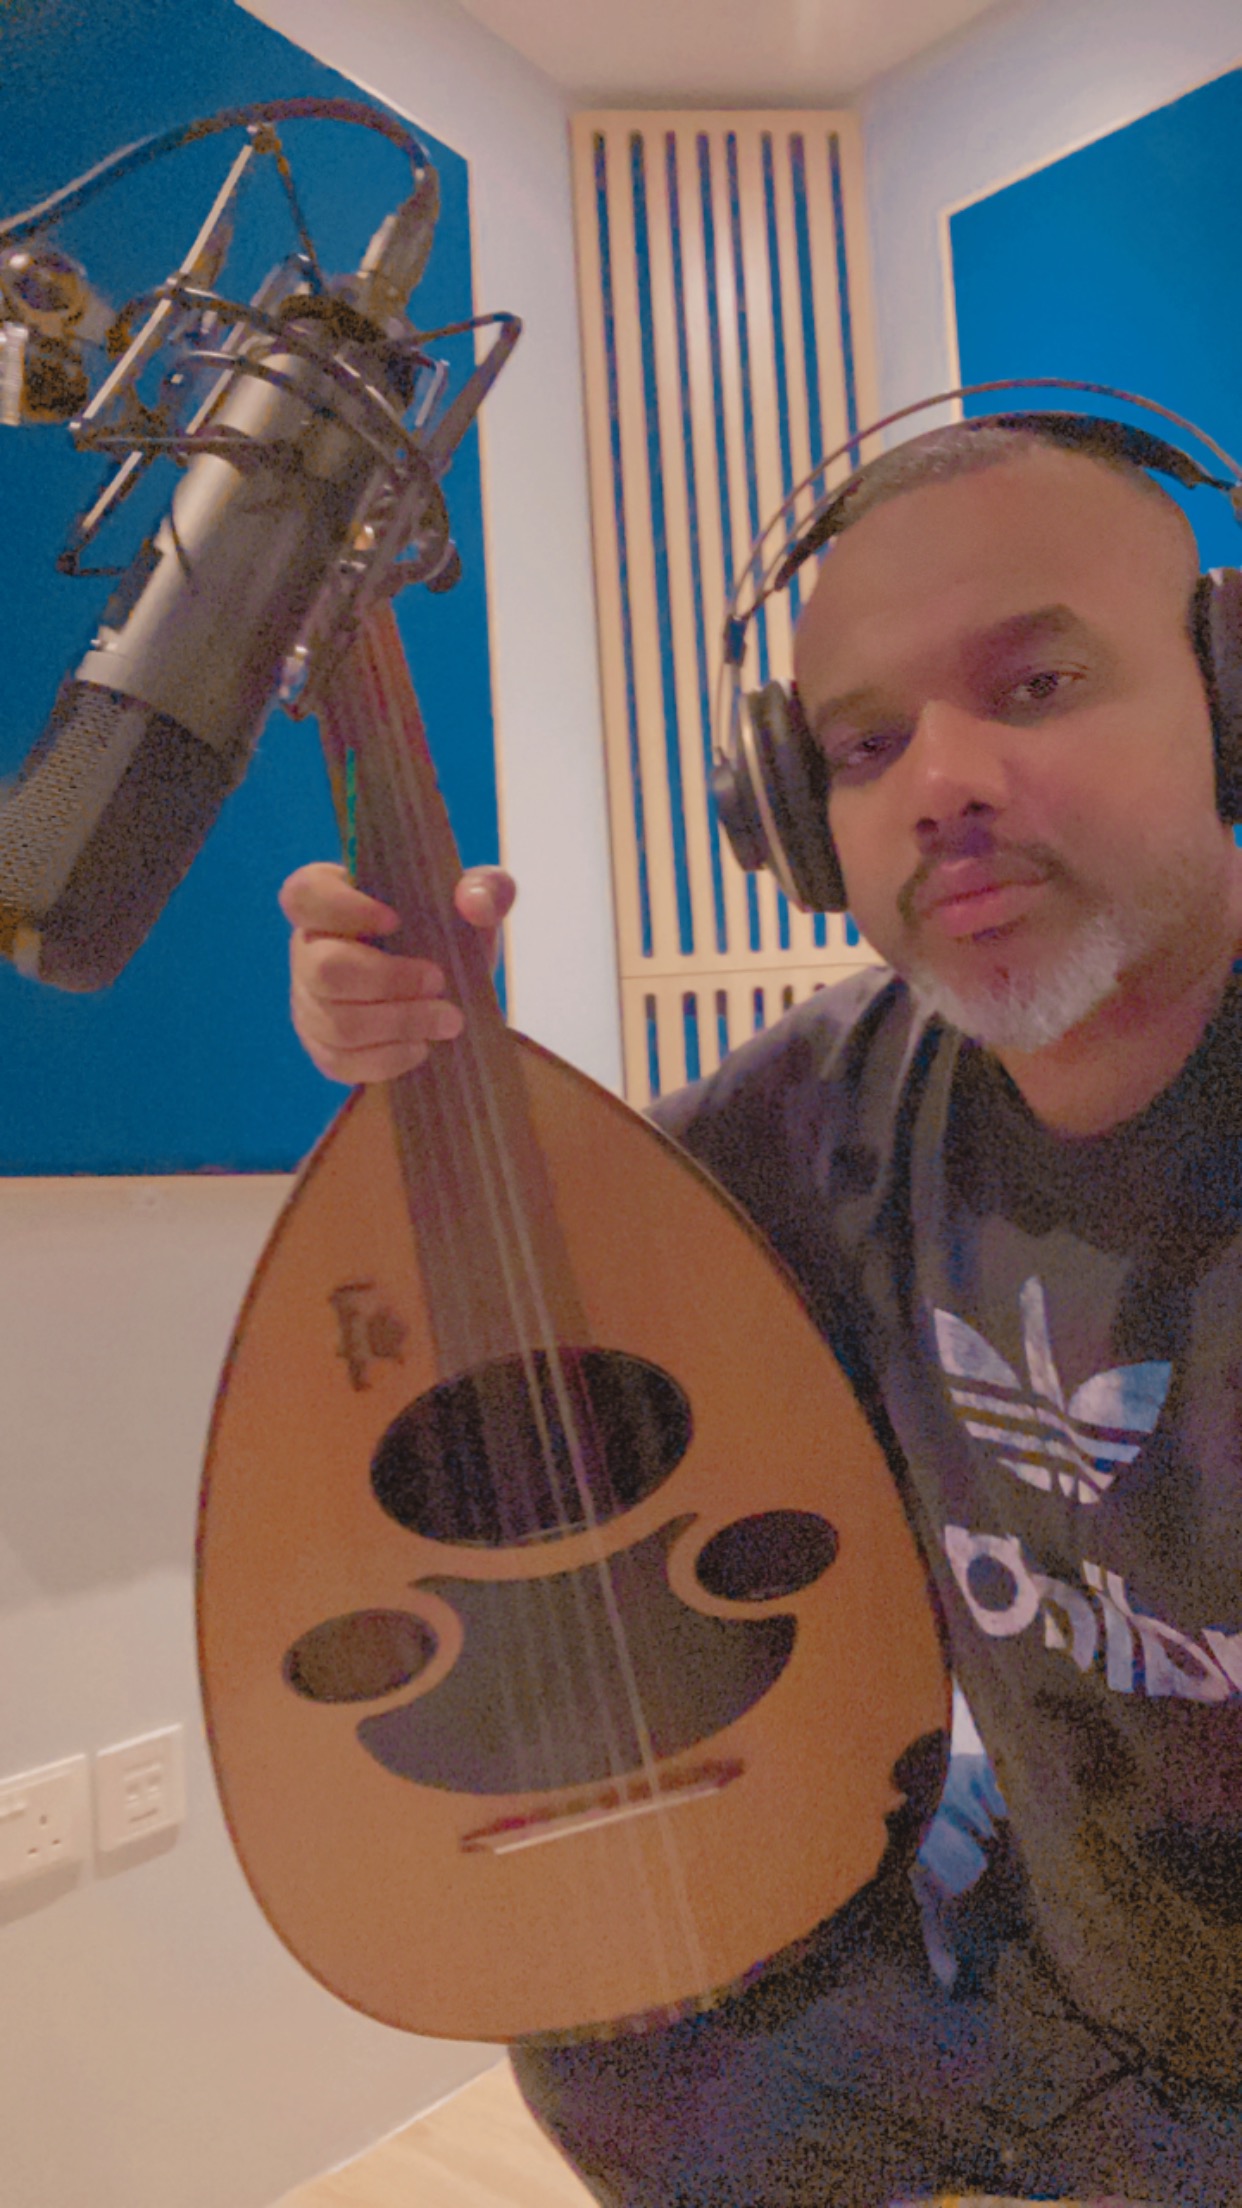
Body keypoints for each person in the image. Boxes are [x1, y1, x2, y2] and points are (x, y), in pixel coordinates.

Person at [278, 421, 1242, 2205]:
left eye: (1034, 684)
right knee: (626, 2039)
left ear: (1225, 697)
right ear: (793, 823)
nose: (938, 781)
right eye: (861, 747)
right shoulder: (822, 1111)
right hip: (1061, 1973)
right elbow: (544, 1353)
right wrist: (433, 1064)